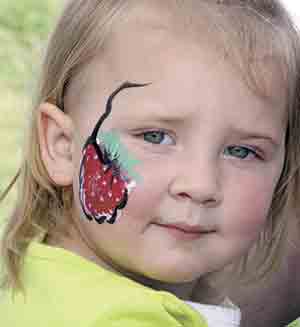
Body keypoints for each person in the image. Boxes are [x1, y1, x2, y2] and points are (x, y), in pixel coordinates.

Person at [1, 0, 300, 326]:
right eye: (156, 137)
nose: (200, 185)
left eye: (241, 151)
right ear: (63, 146)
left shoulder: (46, 273)